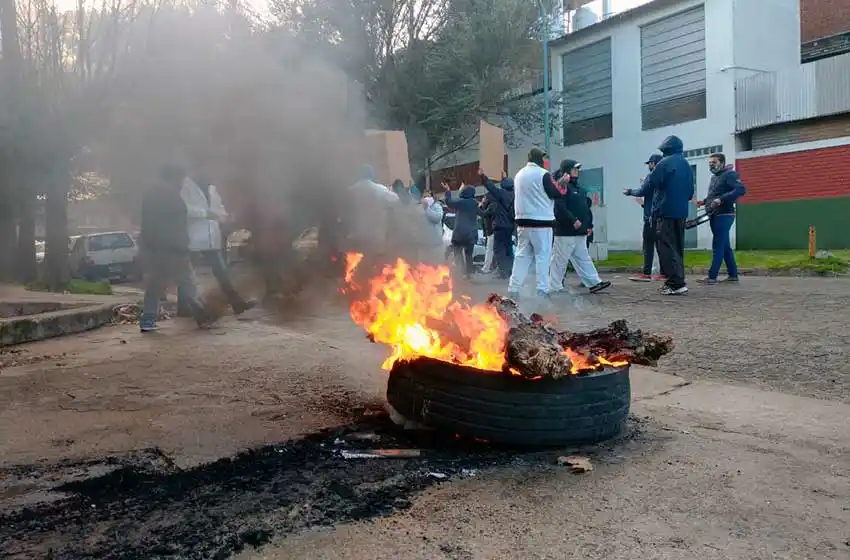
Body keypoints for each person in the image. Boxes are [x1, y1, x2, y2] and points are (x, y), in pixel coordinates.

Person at [138, 165, 214, 332]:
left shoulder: (150, 196)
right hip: (174, 249)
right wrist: (184, 247)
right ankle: (202, 316)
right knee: (188, 284)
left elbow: (147, 225)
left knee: (154, 286)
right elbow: (177, 227)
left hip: (155, 249)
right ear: (174, 178)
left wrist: (149, 247)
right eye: (181, 179)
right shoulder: (173, 198)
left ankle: (148, 320)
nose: (181, 183)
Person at [178, 175, 253, 316]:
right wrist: (205, 213)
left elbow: (218, 209)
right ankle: (183, 308)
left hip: (211, 237)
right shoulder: (185, 186)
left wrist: (226, 217)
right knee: (187, 275)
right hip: (193, 237)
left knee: (222, 272)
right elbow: (183, 208)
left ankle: (237, 303)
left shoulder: (212, 189)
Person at [548, 159, 611, 294]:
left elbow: (585, 209)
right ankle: (554, 286)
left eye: (577, 169)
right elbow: (559, 208)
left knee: (583, 258)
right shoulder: (562, 188)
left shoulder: (579, 189)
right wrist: (573, 220)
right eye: (574, 169)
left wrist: (589, 225)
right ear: (566, 171)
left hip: (579, 232)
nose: (577, 171)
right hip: (565, 231)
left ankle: (594, 282)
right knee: (560, 260)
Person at [508, 147, 562, 298]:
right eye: (544, 158)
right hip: (541, 222)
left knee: (521, 256)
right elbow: (555, 193)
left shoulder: (519, 174)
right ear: (540, 159)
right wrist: (562, 183)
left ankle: (514, 288)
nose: (546, 161)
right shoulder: (543, 174)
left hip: (522, 222)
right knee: (542, 256)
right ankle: (542, 289)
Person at [647, 135, 694, 296]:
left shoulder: (664, 163)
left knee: (666, 247)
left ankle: (675, 283)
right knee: (678, 247)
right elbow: (690, 191)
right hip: (681, 212)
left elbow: (652, 182)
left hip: (665, 211)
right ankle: (677, 280)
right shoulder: (686, 164)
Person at [696, 153, 746, 284]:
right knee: (725, 246)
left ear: (722, 163)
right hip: (714, 214)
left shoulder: (730, 174)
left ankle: (712, 276)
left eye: (714, 162)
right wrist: (704, 202)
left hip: (725, 214)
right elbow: (715, 194)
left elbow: (741, 189)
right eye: (709, 163)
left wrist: (721, 199)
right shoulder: (714, 178)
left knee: (717, 244)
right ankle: (733, 275)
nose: (711, 165)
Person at [623, 153, 664, 281]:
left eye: (650, 163)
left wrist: (629, 191)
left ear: (654, 164)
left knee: (648, 245)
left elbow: (643, 191)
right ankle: (663, 272)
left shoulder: (652, 176)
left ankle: (646, 273)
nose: (649, 166)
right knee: (661, 245)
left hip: (651, 217)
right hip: (661, 215)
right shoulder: (665, 176)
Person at [479, 170, 515, 279]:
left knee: (499, 249)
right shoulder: (515, 194)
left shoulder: (501, 194)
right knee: (508, 249)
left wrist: (483, 176)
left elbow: (491, 187)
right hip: (510, 226)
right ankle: (510, 271)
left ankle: (503, 271)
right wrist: (504, 177)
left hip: (500, 226)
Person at [444, 183, 479, 279]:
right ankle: (469, 273)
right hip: (471, 233)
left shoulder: (461, 202)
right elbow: (482, 213)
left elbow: (449, 202)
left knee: (458, 253)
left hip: (460, 233)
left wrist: (448, 191)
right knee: (469, 255)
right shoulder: (475, 203)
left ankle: (461, 272)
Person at [420, 195, 444, 263]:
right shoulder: (420, 207)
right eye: (424, 196)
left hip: (435, 242)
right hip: (423, 243)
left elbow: (437, 218)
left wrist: (427, 209)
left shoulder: (437, 207)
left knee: (434, 264)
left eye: (428, 196)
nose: (426, 198)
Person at [479, 195, 496, 273]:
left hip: (492, 231)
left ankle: (486, 268)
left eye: (485, 198)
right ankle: (493, 267)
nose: (483, 199)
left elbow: (484, 214)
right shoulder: (490, 206)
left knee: (489, 250)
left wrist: (480, 206)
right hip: (490, 232)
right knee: (492, 250)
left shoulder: (491, 207)